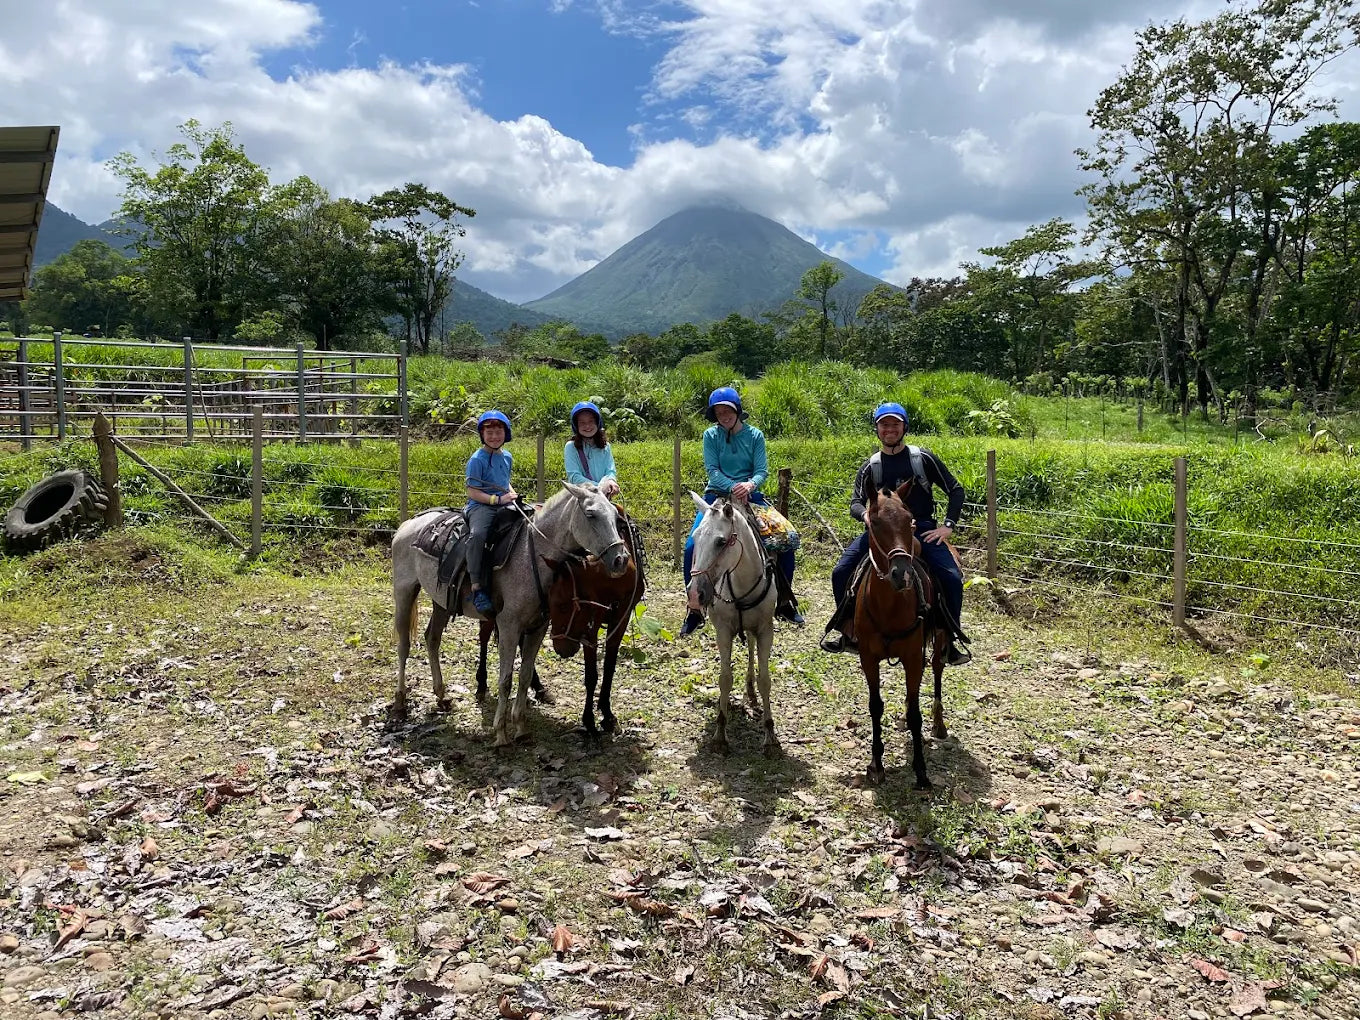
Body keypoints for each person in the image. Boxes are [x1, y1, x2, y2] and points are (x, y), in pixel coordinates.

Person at [820, 402, 971, 664]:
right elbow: (855, 502)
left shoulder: (922, 459)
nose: (889, 429)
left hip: (922, 530)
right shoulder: (871, 466)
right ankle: (848, 630)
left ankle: (949, 638)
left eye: (895, 424)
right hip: (881, 533)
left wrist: (947, 526)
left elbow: (955, 490)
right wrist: (865, 516)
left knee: (951, 577)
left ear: (904, 428)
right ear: (877, 429)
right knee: (840, 572)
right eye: (884, 425)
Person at [679, 387, 803, 636]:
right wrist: (733, 487)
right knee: (692, 547)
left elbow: (762, 470)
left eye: (727, 411)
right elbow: (712, 470)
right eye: (719, 413)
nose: (724, 416)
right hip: (716, 496)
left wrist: (749, 485)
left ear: (737, 411)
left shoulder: (755, 435)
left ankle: (784, 600)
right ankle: (695, 608)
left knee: (785, 539)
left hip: (751, 497)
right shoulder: (710, 436)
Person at [465, 410, 517, 616]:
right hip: (481, 506)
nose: (494, 437)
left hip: (504, 503)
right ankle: (476, 586)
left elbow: (504, 482)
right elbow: (472, 491)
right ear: (482, 435)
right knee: (477, 535)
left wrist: (512, 494)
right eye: (490, 433)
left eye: (498, 432)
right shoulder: (476, 460)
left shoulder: (507, 457)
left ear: (506, 433)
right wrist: (497, 500)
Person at [563, 401, 620, 497]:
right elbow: (574, 477)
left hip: (603, 497)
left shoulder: (606, 446)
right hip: (582, 498)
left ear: (597, 422)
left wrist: (611, 481)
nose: (587, 426)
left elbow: (610, 470)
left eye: (591, 421)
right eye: (582, 423)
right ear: (576, 425)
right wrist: (599, 488)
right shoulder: (571, 447)